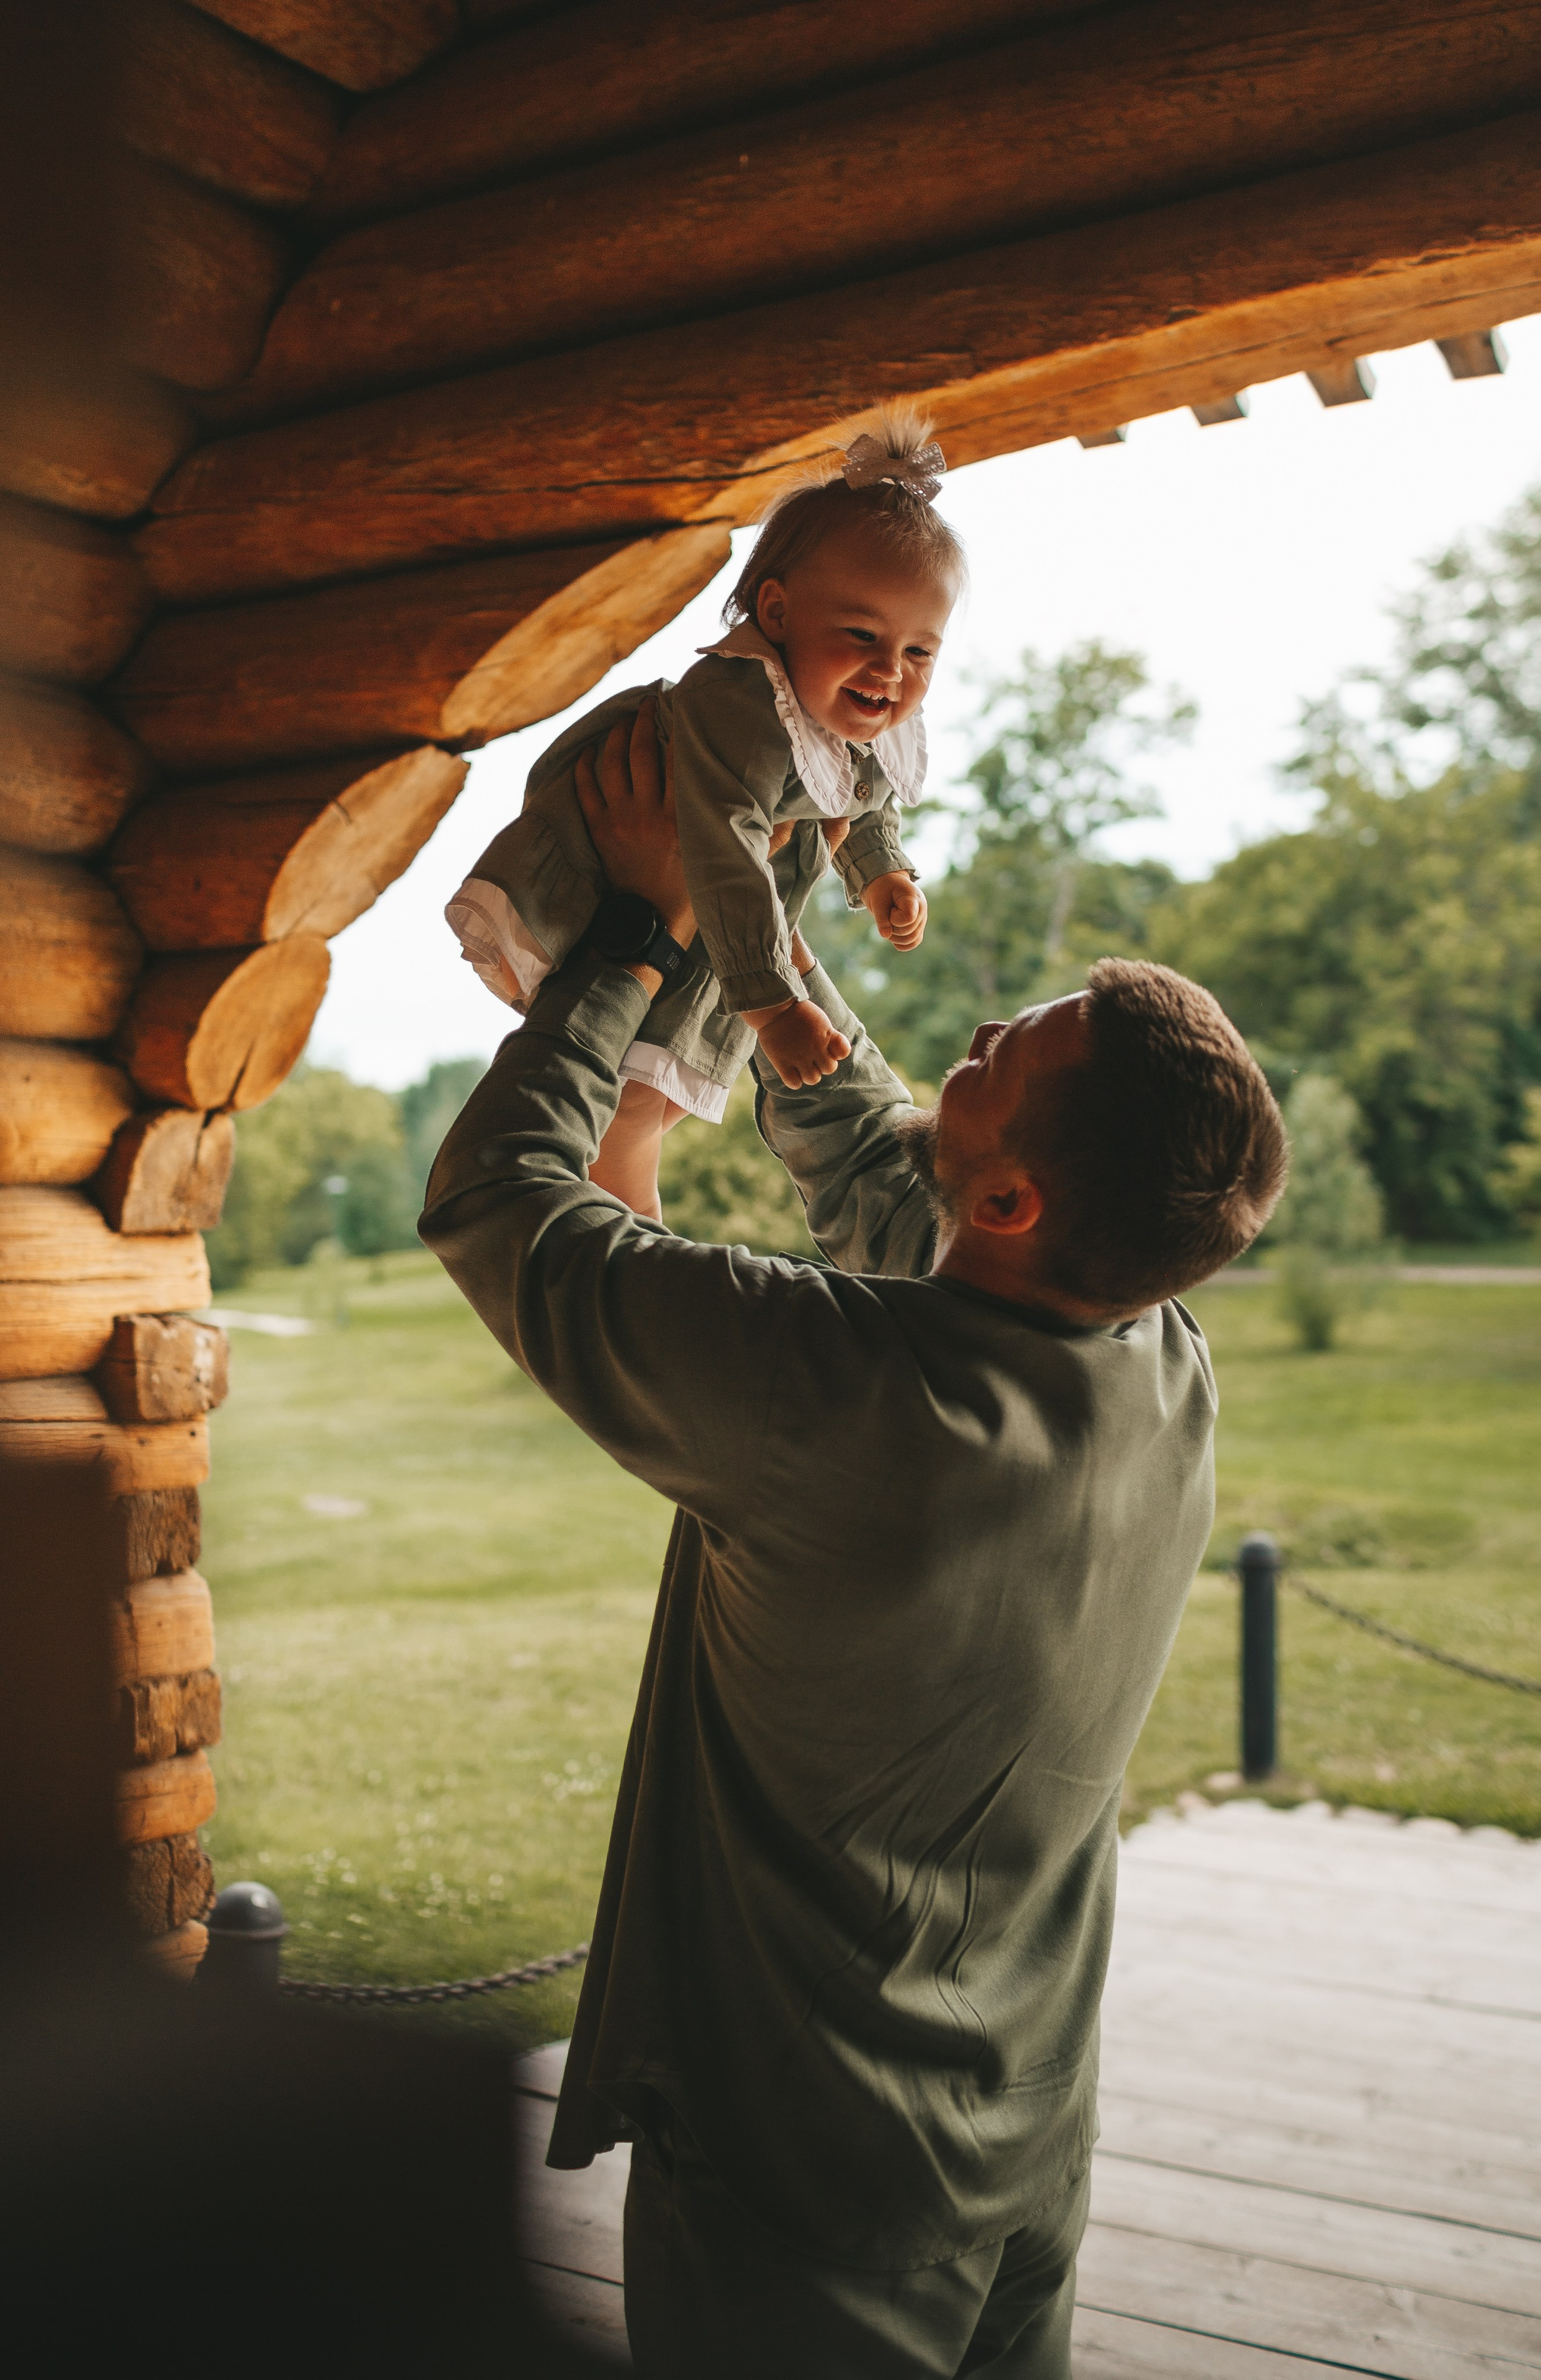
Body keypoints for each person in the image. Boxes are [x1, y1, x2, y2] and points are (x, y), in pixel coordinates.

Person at [419, 708, 1288, 2377]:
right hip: (1021, 2148)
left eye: (992, 1059)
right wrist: (753, 945)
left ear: (1024, 1204)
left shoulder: (845, 1399)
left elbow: (505, 1204)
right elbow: (897, 1165)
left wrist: (636, 928)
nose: (962, 1039)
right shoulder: (1159, 1363)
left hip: (808, 2180)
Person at [444, 410, 963, 1218]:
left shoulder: (845, 712)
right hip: (671, 889)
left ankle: (619, 1227)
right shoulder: (745, 711)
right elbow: (720, 851)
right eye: (860, 634)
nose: (890, 670)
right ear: (779, 613)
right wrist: (776, 1005)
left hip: (729, 921)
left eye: (920, 651)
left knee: (664, 1091)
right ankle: (625, 1231)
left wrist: (882, 869)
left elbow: (860, 793)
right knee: (639, 1090)